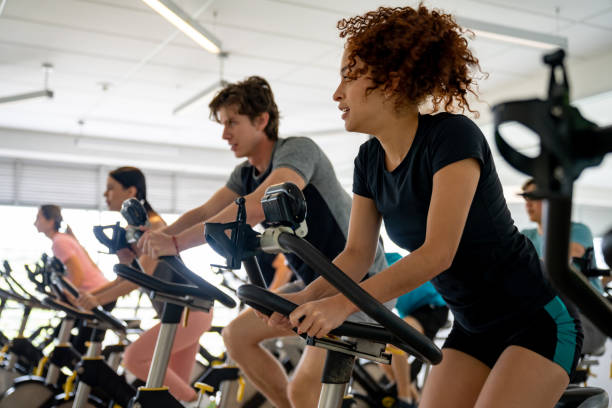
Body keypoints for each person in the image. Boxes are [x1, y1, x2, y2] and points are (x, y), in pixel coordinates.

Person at [284, 6, 582, 408]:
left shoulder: (452, 137)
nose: (337, 93)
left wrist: (340, 305)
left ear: (390, 81)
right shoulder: (368, 161)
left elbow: (438, 253)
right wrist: (304, 299)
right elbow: (355, 256)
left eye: (349, 76)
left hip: (536, 321)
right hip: (473, 329)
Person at [137, 76, 389, 408]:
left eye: (232, 123)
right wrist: (161, 238)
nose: (224, 134)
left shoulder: (298, 150)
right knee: (236, 336)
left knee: (304, 391)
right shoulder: (244, 174)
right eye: (222, 124)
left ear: (262, 120)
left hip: (358, 285)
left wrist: (178, 244)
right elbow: (206, 212)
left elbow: (256, 206)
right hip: (313, 284)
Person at [75, 166, 212, 403]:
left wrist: (95, 299)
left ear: (131, 191)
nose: (105, 195)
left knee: (134, 358)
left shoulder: (154, 226)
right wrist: (87, 297)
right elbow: (125, 276)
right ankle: (198, 403)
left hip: (191, 312)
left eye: (110, 189)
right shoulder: (133, 230)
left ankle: (204, 404)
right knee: (170, 398)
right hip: (180, 312)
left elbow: (138, 280)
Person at [520, 178, 606, 357]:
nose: (528, 204)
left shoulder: (577, 230)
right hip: (548, 315)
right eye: (526, 198)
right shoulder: (526, 236)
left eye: (534, 197)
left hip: (587, 319)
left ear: (551, 199)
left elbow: (562, 257)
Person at [34, 204, 110, 353]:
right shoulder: (64, 239)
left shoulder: (59, 242)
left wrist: (65, 297)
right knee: (68, 338)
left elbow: (77, 275)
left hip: (97, 295)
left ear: (50, 222)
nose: (34, 222)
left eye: (38, 218)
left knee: (80, 348)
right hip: (97, 292)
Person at [381, 253, 448, 408]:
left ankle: (405, 399)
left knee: (395, 341)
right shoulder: (378, 267)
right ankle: (413, 396)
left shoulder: (390, 260)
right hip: (414, 311)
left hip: (432, 307)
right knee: (382, 353)